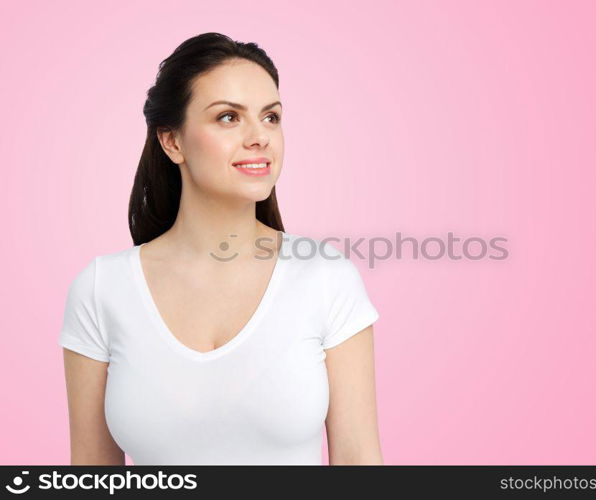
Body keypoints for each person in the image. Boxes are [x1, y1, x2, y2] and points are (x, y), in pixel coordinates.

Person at [58, 33, 382, 465]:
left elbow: (359, 459)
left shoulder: (326, 279)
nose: (259, 137)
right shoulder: (102, 289)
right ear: (172, 141)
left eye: (271, 117)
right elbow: (94, 474)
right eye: (229, 117)